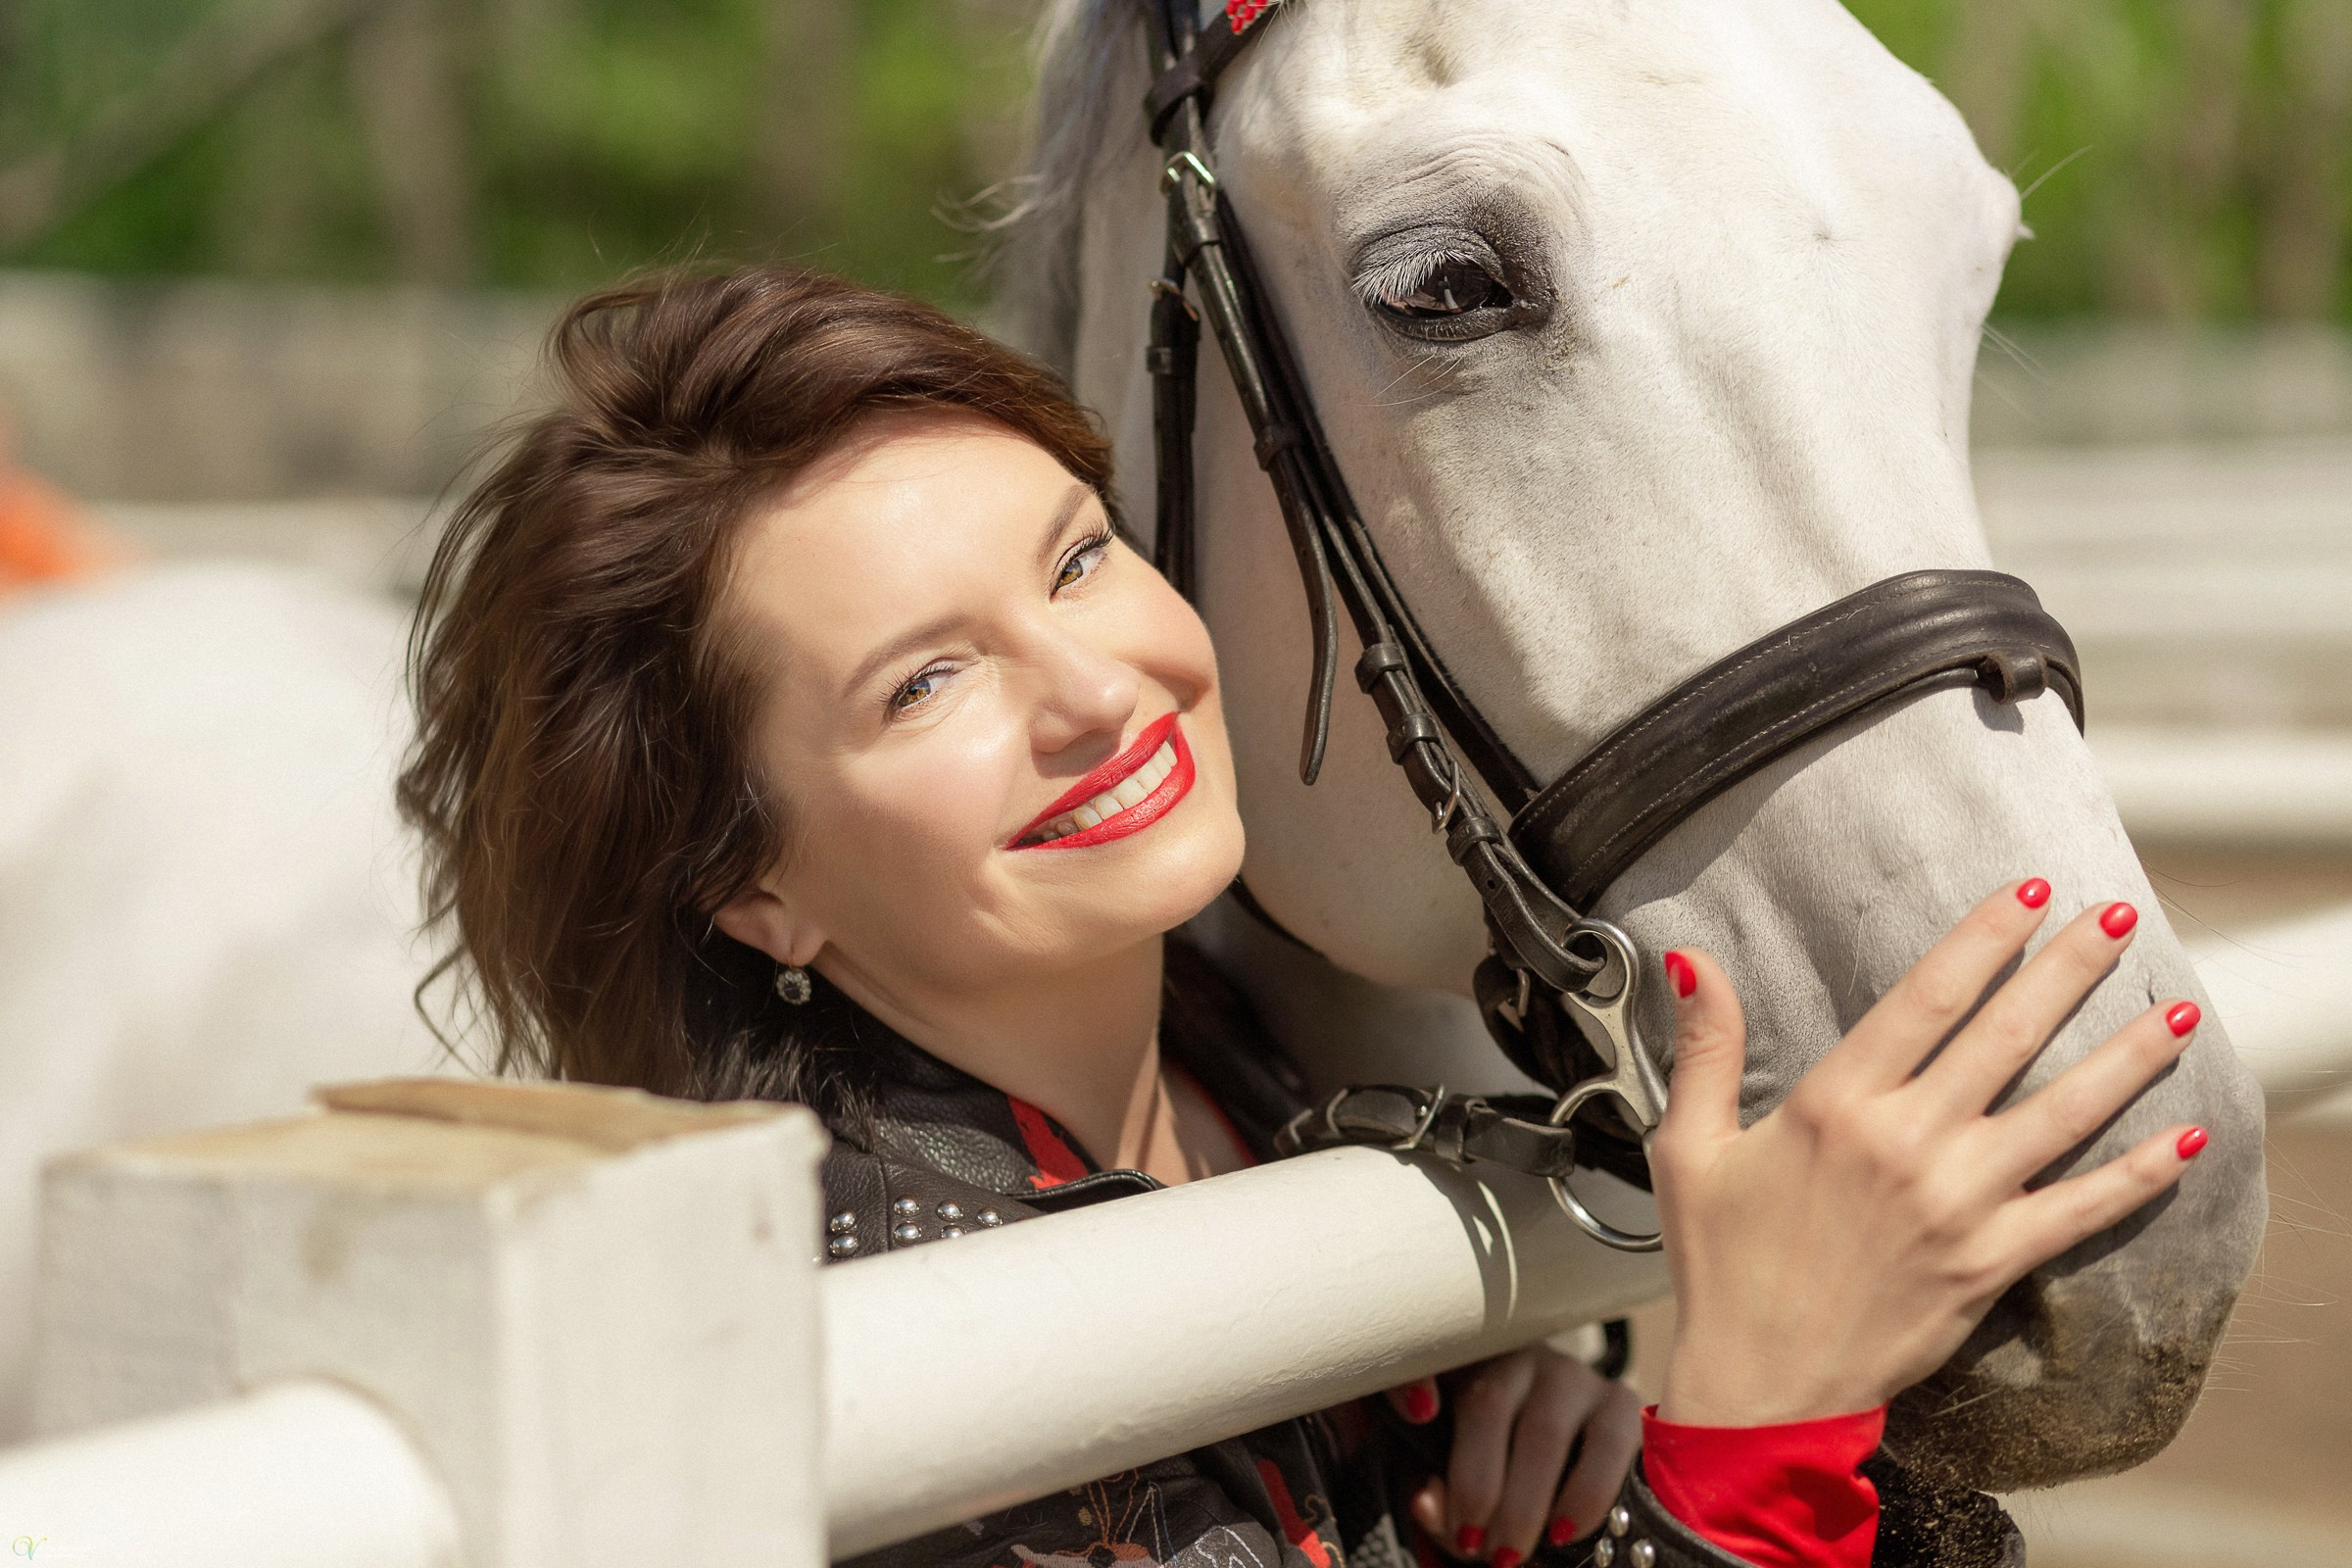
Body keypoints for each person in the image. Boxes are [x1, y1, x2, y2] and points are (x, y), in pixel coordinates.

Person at [398, 267, 2208, 1568]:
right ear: (752, 883)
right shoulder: (886, 1369)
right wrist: (1742, 1453)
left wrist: (1570, 1473)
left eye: (1079, 556)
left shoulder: (1240, 1060)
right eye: (924, 682)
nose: (1099, 689)